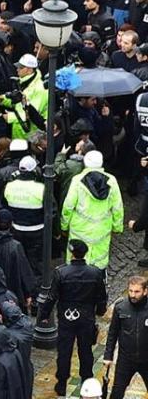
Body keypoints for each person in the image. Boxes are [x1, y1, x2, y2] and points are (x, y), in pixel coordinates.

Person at [39, 239, 107, 396]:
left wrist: (44, 315)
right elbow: (101, 296)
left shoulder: (61, 272)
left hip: (66, 317)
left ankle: (62, 383)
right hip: (86, 317)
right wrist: (100, 311)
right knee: (86, 351)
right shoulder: (95, 272)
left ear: (71, 253)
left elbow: (52, 296)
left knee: (64, 351)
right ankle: (86, 380)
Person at [61, 150, 124, 270]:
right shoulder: (112, 181)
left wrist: (64, 226)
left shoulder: (77, 180)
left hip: (79, 228)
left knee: (76, 255)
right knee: (99, 258)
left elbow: (68, 205)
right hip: (102, 228)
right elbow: (117, 207)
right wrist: (117, 227)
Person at [104, 275, 148, 399]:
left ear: (145, 291)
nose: (133, 295)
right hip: (126, 360)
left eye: (137, 291)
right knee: (116, 393)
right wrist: (108, 356)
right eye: (131, 291)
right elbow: (112, 333)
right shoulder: (120, 307)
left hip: (147, 359)